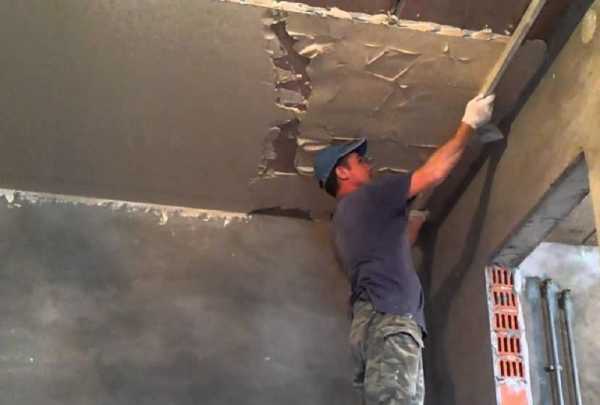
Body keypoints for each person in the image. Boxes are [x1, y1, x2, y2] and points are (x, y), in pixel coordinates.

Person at [313, 94, 495, 405]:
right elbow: (433, 173)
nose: (369, 165)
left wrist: (413, 224)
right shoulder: (367, 197)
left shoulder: (344, 223)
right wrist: (469, 123)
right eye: (359, 161)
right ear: (342, 173)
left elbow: (392, 249)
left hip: (373, 324)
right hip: (389, 320)